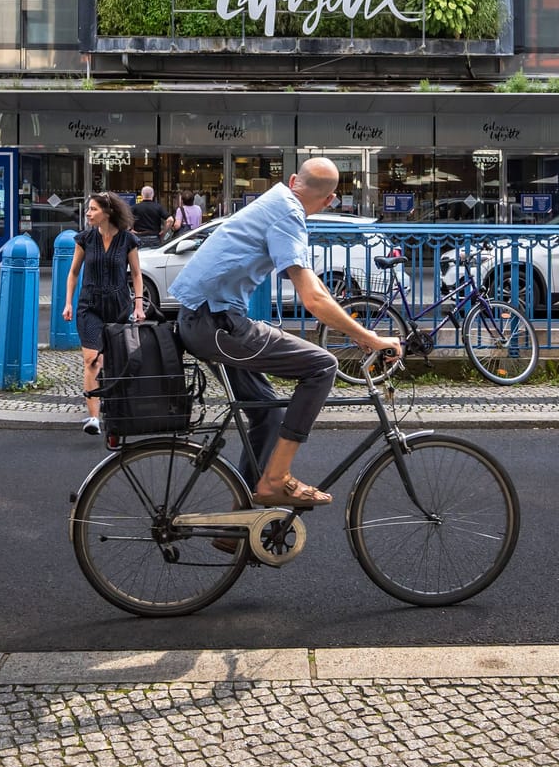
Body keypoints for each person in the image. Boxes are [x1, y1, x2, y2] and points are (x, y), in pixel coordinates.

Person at [168, 158, 402, 508]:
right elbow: (312, 297)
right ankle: (276, 479)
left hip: (199, 321)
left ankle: (239, 522)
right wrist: (369, 338)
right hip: (217, 323)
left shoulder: (275, 200)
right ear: (329, 200)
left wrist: (351, 328)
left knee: (267, 412)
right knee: (322, 366)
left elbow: (313, 284)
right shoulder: (288, 214)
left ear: (294, 179)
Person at [63, 192, 145, 437]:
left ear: (107, 213)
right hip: (90, 305)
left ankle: (113, 402)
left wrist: (138, 305)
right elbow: (74, 272)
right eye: (88, 209)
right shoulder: (85, 239)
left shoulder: (127, 240)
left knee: (114, 359)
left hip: (119, 306)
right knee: (92, 359)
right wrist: (68, 303)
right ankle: (93, 417)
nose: (88, 213)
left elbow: (137, 275)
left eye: (93, 209)